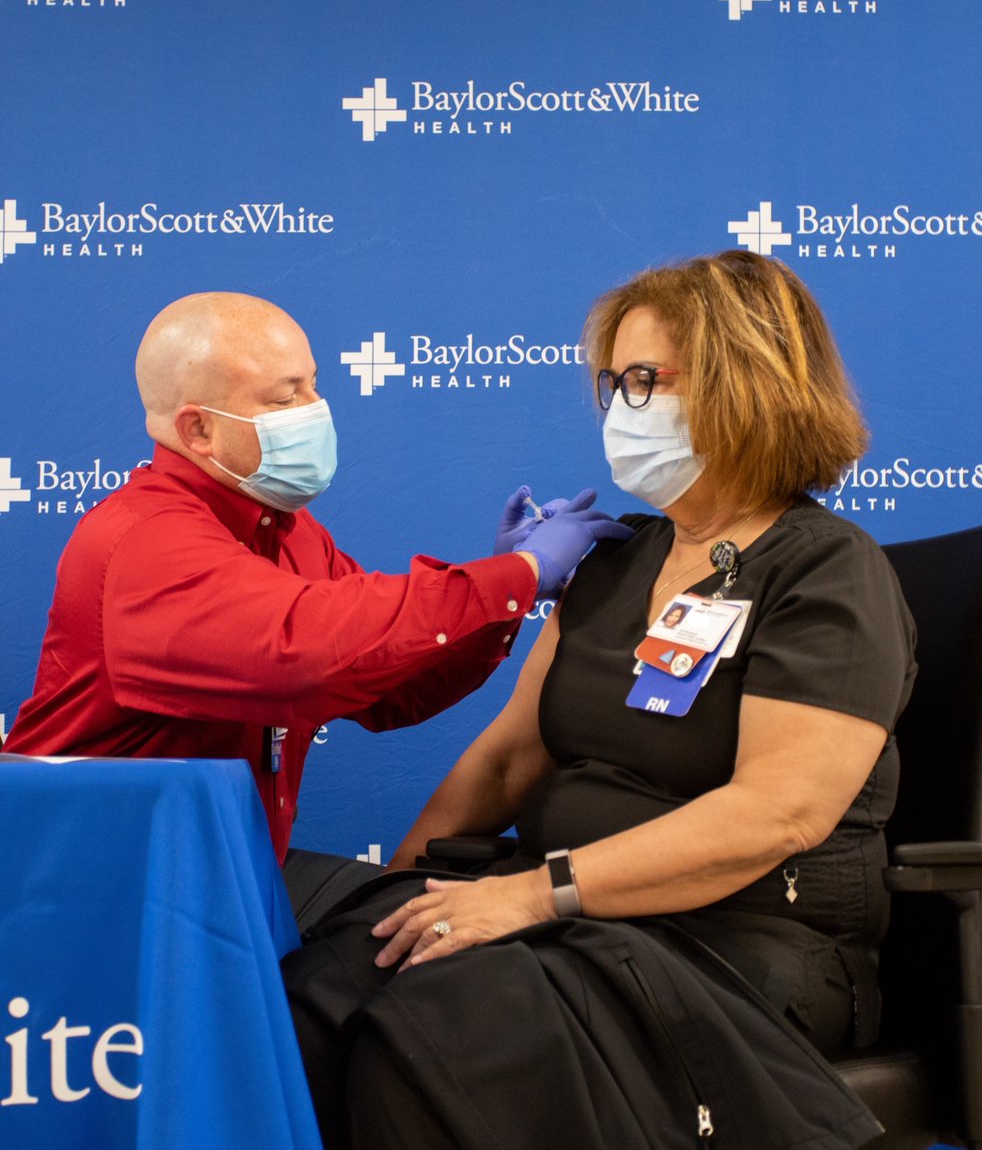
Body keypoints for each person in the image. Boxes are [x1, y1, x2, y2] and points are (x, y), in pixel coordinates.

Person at [281, 251, 917, 1150]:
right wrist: (402, 887)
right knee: (337, 974)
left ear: (746, 381)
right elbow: (508, 754)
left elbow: (778, 813)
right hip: (563, 922)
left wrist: (538, 895)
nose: (623, 406)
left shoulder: (825, 569)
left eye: (647, 379)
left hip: (735, 944)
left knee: (446, 1014)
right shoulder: (614, 563)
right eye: (613, 382)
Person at [1, 292, 631, 865]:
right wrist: (514, 574)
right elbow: (303, 651)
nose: (315, 410)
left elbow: (391, 686)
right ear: (198, 428)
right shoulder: (143, 541)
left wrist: (504, 603)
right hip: (78, 897)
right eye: (284, 398)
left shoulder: (288, 528)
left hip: (212, 880)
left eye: (313, 385)